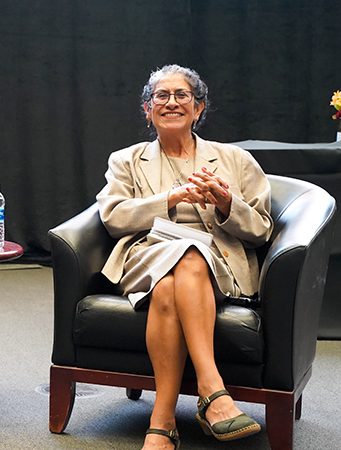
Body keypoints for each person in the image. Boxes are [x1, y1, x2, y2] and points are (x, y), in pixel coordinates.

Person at [96, 65, 272, 450]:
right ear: (147, 109)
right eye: (162, 95)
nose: (171, 102)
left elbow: (261, 228)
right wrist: (170, 199)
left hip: (219, 262)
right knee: (186, 254)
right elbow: (113, 217)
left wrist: (227, 202)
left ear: (198, 109)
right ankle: (212, 392)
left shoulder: (235, 160)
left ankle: (161, 422)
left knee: (178, 274)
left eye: (182, 96)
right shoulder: (126, 160)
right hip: (147, 255)